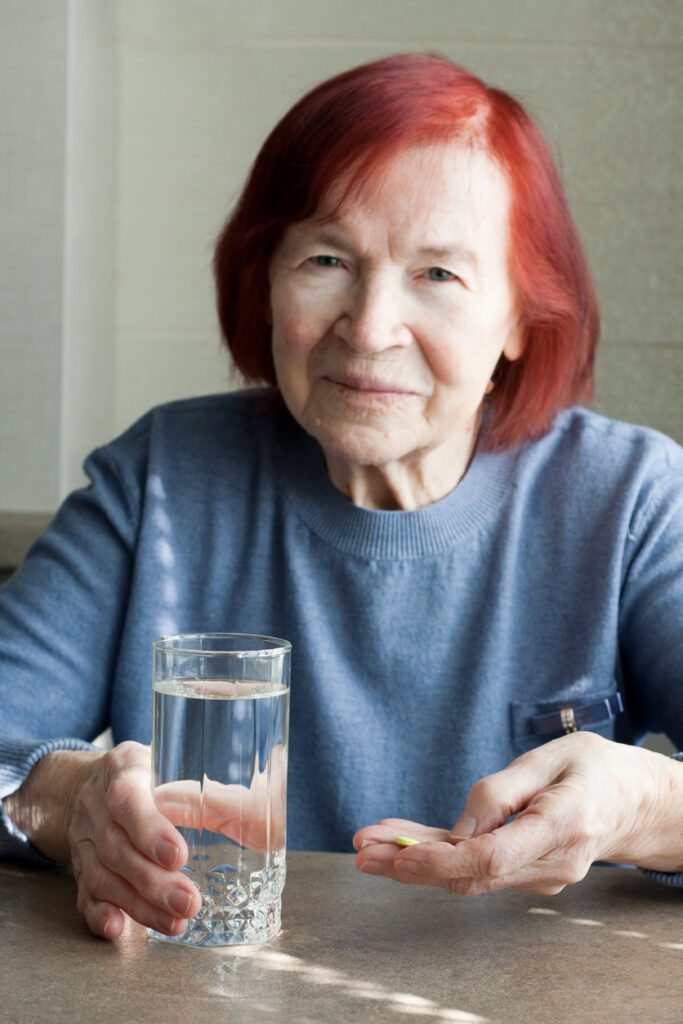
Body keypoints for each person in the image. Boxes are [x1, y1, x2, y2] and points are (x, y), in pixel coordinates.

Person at [1, 53, 682, 942]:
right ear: (266, 277)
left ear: (521, 316)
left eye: (438, 275)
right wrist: (66, 802)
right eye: (327, 258)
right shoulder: (162, 475)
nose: (368, 329)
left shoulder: (627, 497)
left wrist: (642, 804)